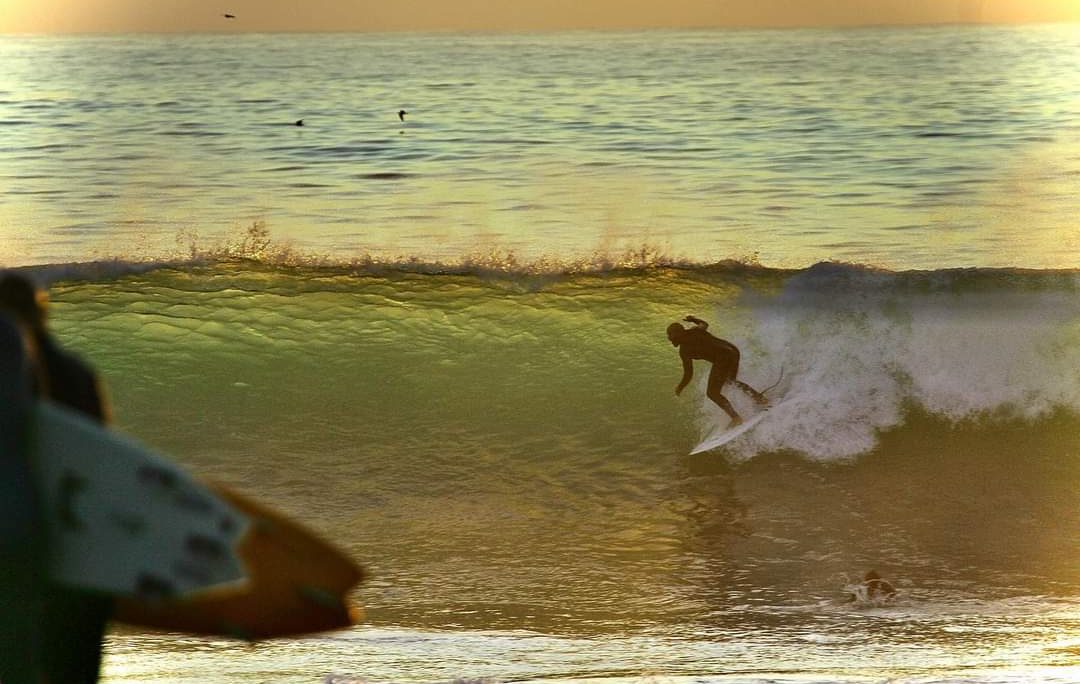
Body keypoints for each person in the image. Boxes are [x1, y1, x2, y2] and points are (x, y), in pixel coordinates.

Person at [0, 272, 113, 683]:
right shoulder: (77, 374)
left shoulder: (20, 367)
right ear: (41, 314)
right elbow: (102, 461)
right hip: (78, 547)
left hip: (24, 540)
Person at [668, 315, 767, 426]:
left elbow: (688, 374)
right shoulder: (695, 330)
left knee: (712, 393)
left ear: (679, 333)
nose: (669, 338)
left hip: (723, 358)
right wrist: (694, 320)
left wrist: (680, 387)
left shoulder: (685, 351)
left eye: (670, 335)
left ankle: (736, 418)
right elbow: (704, 324)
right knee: (730, 381)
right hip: (733, 351)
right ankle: (760, 398)